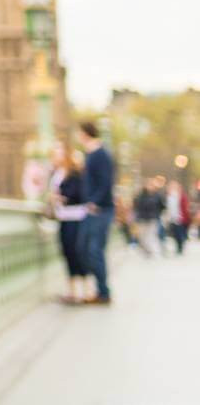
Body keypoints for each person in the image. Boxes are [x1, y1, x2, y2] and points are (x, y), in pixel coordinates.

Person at [75, 121, 116, 305]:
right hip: (90, 209)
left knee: (93, 250)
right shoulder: (90, 154)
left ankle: (103, 292)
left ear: (85, 133)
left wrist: (95, 202)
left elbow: (106, 181)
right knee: (83, 247)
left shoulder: (101, 154)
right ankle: (99, 289)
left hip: (100, 209)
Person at [47, 143, 88, 303]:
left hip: (75, 217)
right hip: (63, 217)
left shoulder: (75, 173)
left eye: (59, 154)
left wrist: (62, 197)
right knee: (67, 253)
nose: (56, 158)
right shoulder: (56, 173)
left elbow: (79, 194)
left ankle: (85, 290)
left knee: (78, 252)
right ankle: (72, 290)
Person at [133, 177, 164, 257]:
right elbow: (136, 206)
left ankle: (155, 252)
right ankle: (147, 251)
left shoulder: (157, 195)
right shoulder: (141, 195)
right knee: (142, 236)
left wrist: (158, 214)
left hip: (153, 218)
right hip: (142, 218)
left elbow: (162, 206)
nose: (150, 186)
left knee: (151, 235)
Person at [166, 174, 191, 254]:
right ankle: (179, 246)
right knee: (175, 234)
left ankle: (180, 247)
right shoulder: (169, 196)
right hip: (173, 218)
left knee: (180, 233)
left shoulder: (181, 196)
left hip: (180, 218)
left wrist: (185, 216)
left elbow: (185, 207)